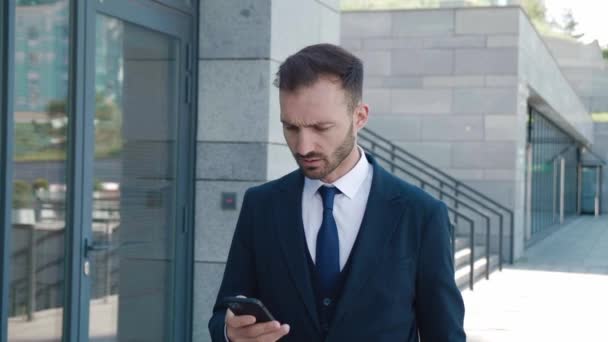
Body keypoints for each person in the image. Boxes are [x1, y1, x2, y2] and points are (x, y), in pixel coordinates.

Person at [208, 43, 465, 342]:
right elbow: (222, 315)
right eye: (290, 128)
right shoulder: (261, 205)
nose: (303, 147)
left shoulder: (422, 215)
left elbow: (444, 334)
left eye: (321, 127)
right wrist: (229, 333)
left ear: (360, 117)